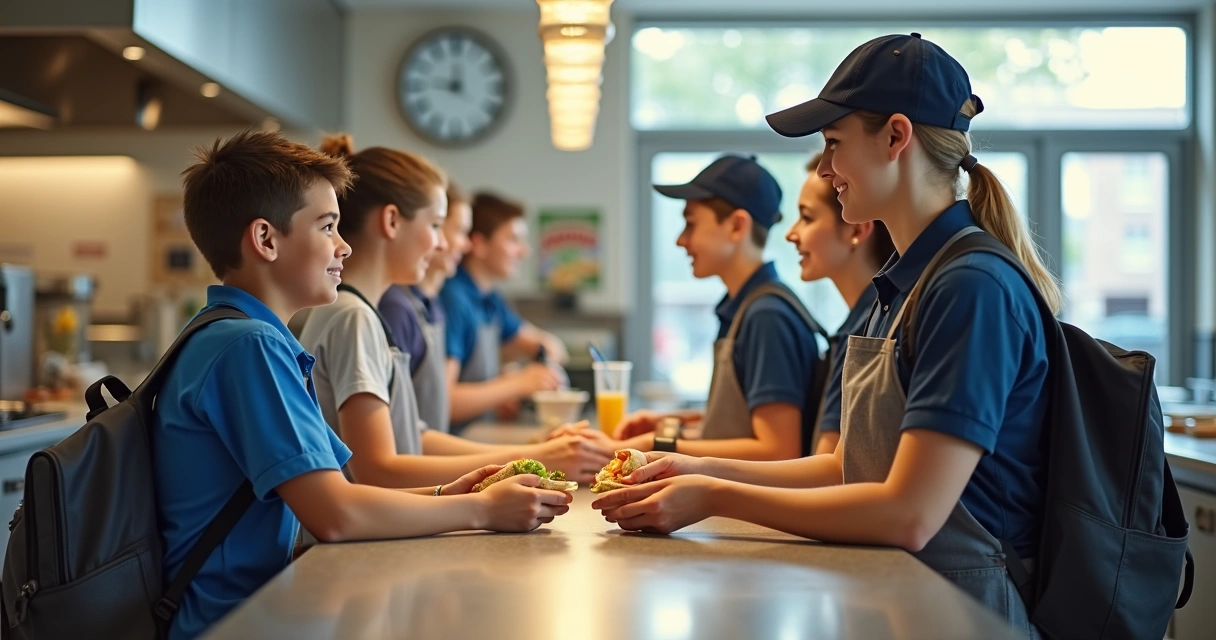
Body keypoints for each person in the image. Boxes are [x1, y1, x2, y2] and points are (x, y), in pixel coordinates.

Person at [592, 33, 1059, 636]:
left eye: (835, 144)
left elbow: (910, 513)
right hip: (900, 594)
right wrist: (691, 468)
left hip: (965, 609)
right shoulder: (902, 286)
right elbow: (846, 467)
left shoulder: (971, 287)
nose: (825, 169)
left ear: (896, 137)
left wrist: (712, 496)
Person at [154, 130, 570, 639]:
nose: (343, 245)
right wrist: (480, 509)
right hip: (232, 621)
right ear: (265, 239)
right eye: (328, 226)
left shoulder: (250, 336)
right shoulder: (249, 347)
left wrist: (447, 493)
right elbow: (336, 514)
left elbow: (345, 483)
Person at [300, 135, 609, 489]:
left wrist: (531, 451)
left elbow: (416, 437)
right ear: (391, 221)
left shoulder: (364, 313)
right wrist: (528, 461)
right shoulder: (352, 317)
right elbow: (377, 470)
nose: (442, 244)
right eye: (435, 226)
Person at [558, 155, 824, 461]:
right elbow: (738, 426)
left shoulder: (767, 317)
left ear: (737, 226)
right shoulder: (746, 309)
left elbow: (776, 450)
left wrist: (653, 445)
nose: (680, 240)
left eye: (691, 223)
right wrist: (671, 422)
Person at [786, 151, 895, 455]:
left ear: (857, 230)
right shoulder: (859, 322)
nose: (791, 233)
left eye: (807, 217)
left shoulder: (866, 331)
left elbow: (831, 472)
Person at [440, 191, 569, 433]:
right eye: (513, 239)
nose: (524, 251)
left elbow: (550, 346)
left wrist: (507, 382)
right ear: (478, 244)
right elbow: (444, 402)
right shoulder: (453, 298)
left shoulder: (491, 299)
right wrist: (516, 384)